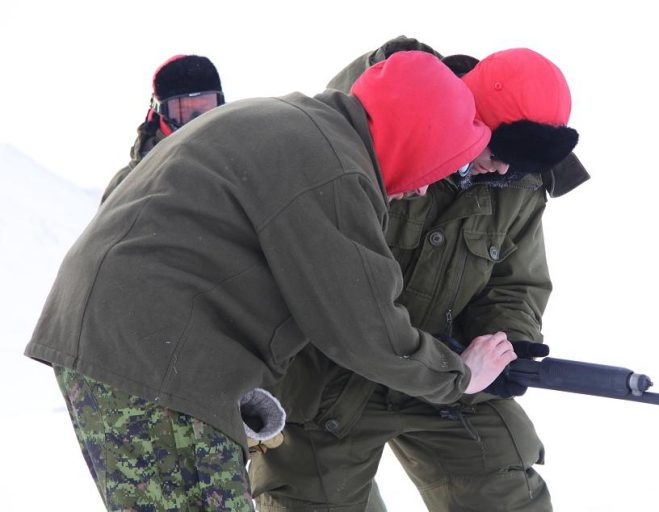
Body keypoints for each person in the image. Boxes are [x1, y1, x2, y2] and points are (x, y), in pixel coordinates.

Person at [24, 52, 517, 511]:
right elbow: (363, 328)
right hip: (153, 364)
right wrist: (460, 376)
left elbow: (219, 266)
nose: (428, 185)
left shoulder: (299, 124)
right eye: (440, 160)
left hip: (140, 347)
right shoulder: (334, 172)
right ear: (416, 133)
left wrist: (238, 384)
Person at [249, 38, 589, 512]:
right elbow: (325, 273)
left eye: (525, 164)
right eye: (499, 147)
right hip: (331, 373)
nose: (507, 168)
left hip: (451, 378)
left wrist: (505, 342)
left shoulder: (520, 182)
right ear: (467, 113)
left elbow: (514, 284)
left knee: (506, 489)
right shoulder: (381, 133)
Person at [101, 54, 225, 202]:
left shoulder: (238, 164)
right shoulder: (127, 186)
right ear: (160, 112)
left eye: (206, 108)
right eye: (183, 112)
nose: (197, 120)